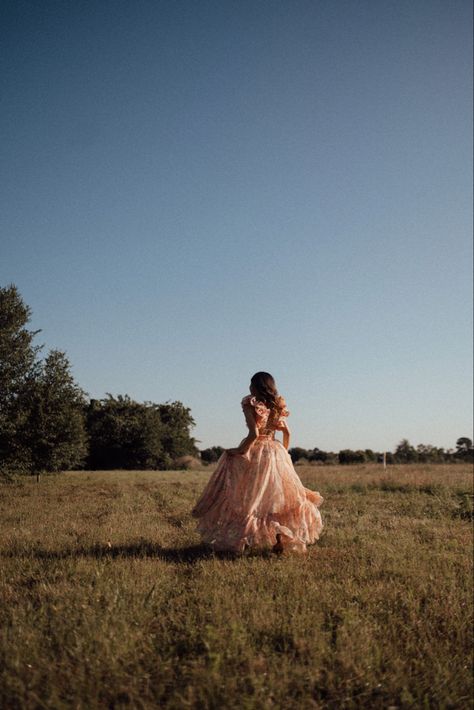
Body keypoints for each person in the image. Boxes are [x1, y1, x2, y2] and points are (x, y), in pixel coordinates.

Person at [192, 372, 324, 554]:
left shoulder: (250, 402)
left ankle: (244, 540)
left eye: (251, 383)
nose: (249, 387)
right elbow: (287, 433)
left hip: (257, 451)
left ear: (256, 386)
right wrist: (283, 453)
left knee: (250, 498)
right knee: (277, 499)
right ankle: (279, 538)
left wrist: (240, 451)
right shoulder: (278, 405)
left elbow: (254, 434)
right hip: (276, 453)